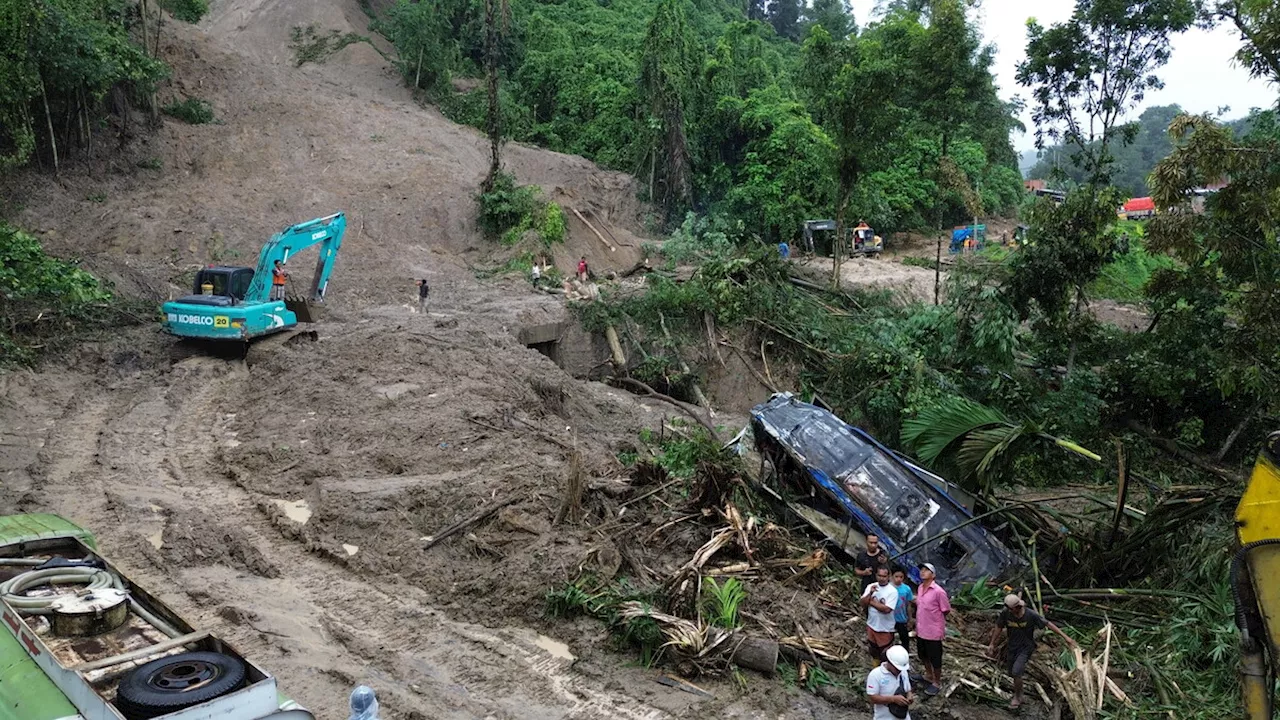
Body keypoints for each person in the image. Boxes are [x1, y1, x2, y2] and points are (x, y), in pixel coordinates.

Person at [988, 593, 1078, 709]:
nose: (1008, 610)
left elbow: (1048, 624)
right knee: (1011, 672)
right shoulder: (1006, 613)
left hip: (1026, 647)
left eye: (1010, 608)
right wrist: (992, 644)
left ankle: (1018, 696)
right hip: (1012, 647)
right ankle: (1019, 688)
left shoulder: (1031, 615)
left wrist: (1066, 637)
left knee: (1016, 672)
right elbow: (999, 627)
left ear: (1016, 607)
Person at [913, 562, 951, 696]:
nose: (922, 572)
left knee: (935, 658)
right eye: (921, 570)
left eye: (926, 570)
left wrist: (935, 621)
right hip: (921, 629)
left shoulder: (939, 592)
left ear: (933, 575)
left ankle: (936, 681)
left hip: (933, 631)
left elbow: (945, 610)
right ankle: (928, 675)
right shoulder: (920, 588)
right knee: (922, 655)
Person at [860, 566, 899, 664]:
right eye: (879, 575)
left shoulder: (892, 591)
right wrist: (870, 594)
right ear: (876, 575)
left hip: (885, 627)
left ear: (889, 576)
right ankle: (876, 670)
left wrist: (872, 603)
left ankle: (887, 672)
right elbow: (862, 602)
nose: (881, 578)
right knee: (873, 649)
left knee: (885, 652)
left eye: (884, 576)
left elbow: (886, 609)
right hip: (872, 624)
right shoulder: (871, 587)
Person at [866, 644, 914, 720]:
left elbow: (908, 689)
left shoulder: (903, 672)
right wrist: (893, 699)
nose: (899, 671)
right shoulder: (875, 675)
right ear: (889, 662)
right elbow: (872, 698)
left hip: (902, 715)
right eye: (897, 668)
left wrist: (909, 695)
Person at [891, 567, 914, 654]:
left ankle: (905, 655)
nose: (899, 579)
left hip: (902, 618)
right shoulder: (889, 587)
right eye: (896, 576)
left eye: (901, 577)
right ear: (892, 576)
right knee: (889, 639)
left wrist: (910, 618)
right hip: (890, 618)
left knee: (904, 639)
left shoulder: (906, 589)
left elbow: (908, 604)